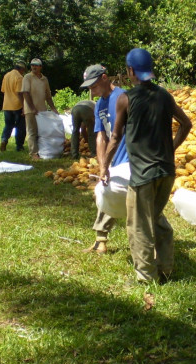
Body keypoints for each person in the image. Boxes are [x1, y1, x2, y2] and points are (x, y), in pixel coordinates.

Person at [101, 49, 192, 282]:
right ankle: (165, 268)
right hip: (166, 172)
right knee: (156, 216)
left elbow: (115, 138)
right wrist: (170, 149)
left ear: (131, 71)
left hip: (143, 175)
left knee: (139, 225)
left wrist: (104, 167)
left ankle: (146, 276)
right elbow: (186, 124)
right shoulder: (164, 96)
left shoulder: (126, 99)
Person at [79, 64, 129, 254]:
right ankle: (100, 241)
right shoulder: (99, 104)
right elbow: (101, 136)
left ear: (105, 78)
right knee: (105, 192)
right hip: (114, 160)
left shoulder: (123, 97)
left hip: (131, 160)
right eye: (89, 87)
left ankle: (157, 241)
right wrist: (103, 166)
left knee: (139, 203)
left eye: (94, 85)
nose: (92, 90)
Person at [21, 58, 59, 160]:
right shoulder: (27, 77)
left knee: (42, 131)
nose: (34, 67)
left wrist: (53, 108)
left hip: (42, 110)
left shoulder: (44, 79)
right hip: (30, 110)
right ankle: (33, 153)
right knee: (32, 132)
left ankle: (42, 151)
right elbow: (25, 92)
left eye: (36, 65)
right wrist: (32, 108)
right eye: (32, 65)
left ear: (40, 67)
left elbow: (48, 95)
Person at [1, 61, 27, 152]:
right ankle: (19, 146)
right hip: (17, 106)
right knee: (20, 127)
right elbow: (19, 93)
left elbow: (3, 90)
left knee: (8, 125)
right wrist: (24, 107)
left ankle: (4, 140)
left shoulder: (6, 75)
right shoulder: (19, 77)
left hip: (7, 105)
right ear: (21, 69)